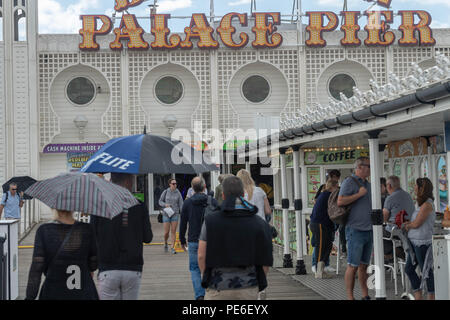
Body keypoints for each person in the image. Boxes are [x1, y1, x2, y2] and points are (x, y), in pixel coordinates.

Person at [198, 176, 273, 300]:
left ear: (223, 195)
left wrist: (205, 276)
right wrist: (258, 282)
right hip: (248, 287)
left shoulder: (210, 221)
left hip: (217, 286)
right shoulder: (259, 223)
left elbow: (201, 255)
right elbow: (265, 258)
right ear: (243, 194)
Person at [90, 173, 153, 300]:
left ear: (110, 182)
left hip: (107, 267)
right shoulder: (139, 206)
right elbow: (148, 237)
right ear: (129, 182)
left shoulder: (99, 205)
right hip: (133, 268)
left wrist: (91, 266)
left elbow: (91, 236)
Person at [25, 209, 98, 300]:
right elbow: (94, 263)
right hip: (83, 292)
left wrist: (29, 297)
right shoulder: (87, 229)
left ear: (53, 207)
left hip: (53, 291)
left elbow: (36, 269)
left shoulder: (44, 231)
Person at [337, 157, 372, 300]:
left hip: (368, 229)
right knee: (353, 265)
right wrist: (359, 194)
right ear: (360, 167)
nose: (370, 168)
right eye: (368, 166)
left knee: (364, 265)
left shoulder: (368, 184)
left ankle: (365, 295)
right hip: (355, 229)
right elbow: (340, 201)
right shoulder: (350, 182)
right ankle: (350, 297)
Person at [180, 177, 218, 300]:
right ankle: (212, 291)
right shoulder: (212, 201)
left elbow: (183, 223)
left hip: (193, 239)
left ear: (192, 188)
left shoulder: (187, 203)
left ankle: (200, 295)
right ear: (204, 187)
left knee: (195, 268)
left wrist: (181, 239)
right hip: (211, 239)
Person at [403, 177, 436, 300]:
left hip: (422, 243)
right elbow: (415, 221)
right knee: (409, 269)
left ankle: (431, 296)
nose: (414, 188)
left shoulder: (427, 204)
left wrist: (408, 225)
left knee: (426, 271)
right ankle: (418, 294)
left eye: (416, 186)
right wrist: (409, 223)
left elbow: (417, 223)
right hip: (414, 242)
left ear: (422, 189)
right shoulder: (421, 204)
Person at [312, 170, 341, 273]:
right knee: (320, 245)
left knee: (327, 245)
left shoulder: (326, 194)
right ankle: (318, 269)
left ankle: (322, 267)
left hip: (325, 223)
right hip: (319, 222)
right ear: (333, 187)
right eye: (337, 188)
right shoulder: (327, 194)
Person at [382, 175, 416, 258]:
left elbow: (383, 218)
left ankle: (392, 254)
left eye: (386, 185)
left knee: (377, 232)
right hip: (408, 229)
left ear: (389, 186)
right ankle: (397, 251)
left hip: (396, 230)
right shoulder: (408, 195)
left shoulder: (390, 198)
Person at [159, 178, 184, 254]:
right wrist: (165, 204)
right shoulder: (166, 191)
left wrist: (182, 212)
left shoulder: (178, 192)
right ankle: (166, 242)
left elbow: (181, 203)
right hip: (166, 213)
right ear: (169, 184)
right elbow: (160, 201)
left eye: (176, 183)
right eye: (173, 183)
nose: (175, 185)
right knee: (166, 232)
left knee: (173, 231)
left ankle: (172, 247)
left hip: (175, 214)